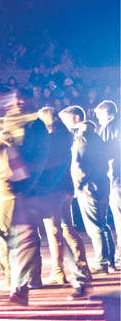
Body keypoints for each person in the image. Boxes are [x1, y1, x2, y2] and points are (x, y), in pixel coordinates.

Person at [0, 90, 49, 306]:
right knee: (24, 239)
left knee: (20, 240)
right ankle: (22, 286)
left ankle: (19, 285)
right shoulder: (5, 138)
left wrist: (15, 181)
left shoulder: (34, 129)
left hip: (20, 192)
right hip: (17, 191)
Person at [35, 108, 90, 286]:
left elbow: (45, 164)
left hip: (53, 190)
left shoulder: (49, 139)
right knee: (68, 227)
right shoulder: (66, 136)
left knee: (54, 230)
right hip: (66, 188)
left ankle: (58, 272)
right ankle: (83, 268)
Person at [59, 106, 115, 274]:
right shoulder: (94, 135)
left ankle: (102, 262)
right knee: (102, 224)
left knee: (94, 226)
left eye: (66, 120)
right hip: (101, 183)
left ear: (76, 118)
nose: (64, 124)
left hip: (90, 186)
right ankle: (108, 260)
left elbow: (79, 164)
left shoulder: (82, 137)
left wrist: (77, 185)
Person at [95, 100, 120, 269]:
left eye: (98, 115)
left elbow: (102, 154)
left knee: (118, 216)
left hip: (115, 178)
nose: (97, 119)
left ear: (106, 113)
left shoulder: (108, 127)